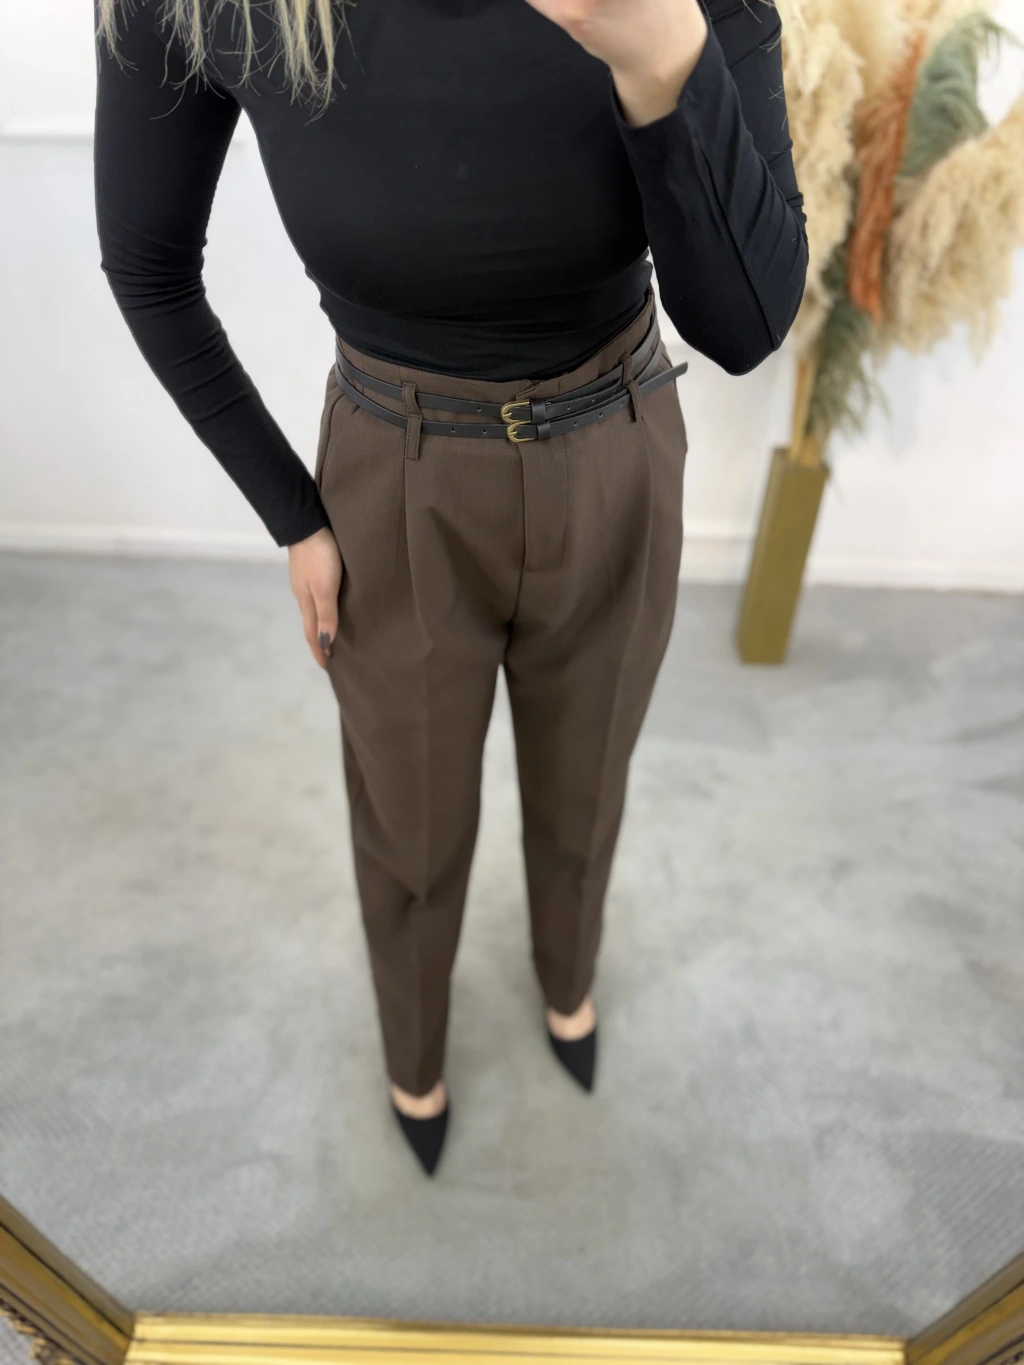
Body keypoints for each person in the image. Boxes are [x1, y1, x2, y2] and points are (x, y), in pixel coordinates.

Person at [93, 0, 807, 1175]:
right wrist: (292, 513)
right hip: (390, 477)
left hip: (618, 448)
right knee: (409, 814)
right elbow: (150, 266)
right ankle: (413, 1058)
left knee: (588, 779)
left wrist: (663, 58)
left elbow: (745, 324)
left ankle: (567, 987)